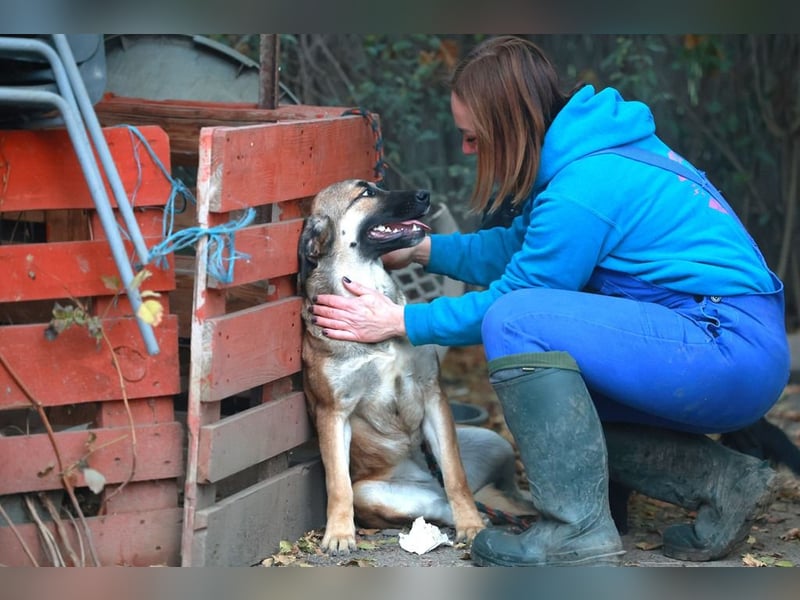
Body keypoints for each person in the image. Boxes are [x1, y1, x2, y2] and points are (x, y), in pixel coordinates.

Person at [309, 35, 791, 566]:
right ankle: (723, 481)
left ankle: (576, 530)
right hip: (719, 340)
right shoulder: (586, 156)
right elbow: (521, 248)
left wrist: (401, 318)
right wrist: (425, 250)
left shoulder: (583, 185)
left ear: (508, 126)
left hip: (722, 346)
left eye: (473, 137)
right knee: (561, 380)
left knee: (518, 322)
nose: (468, 150)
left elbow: (518, 294)